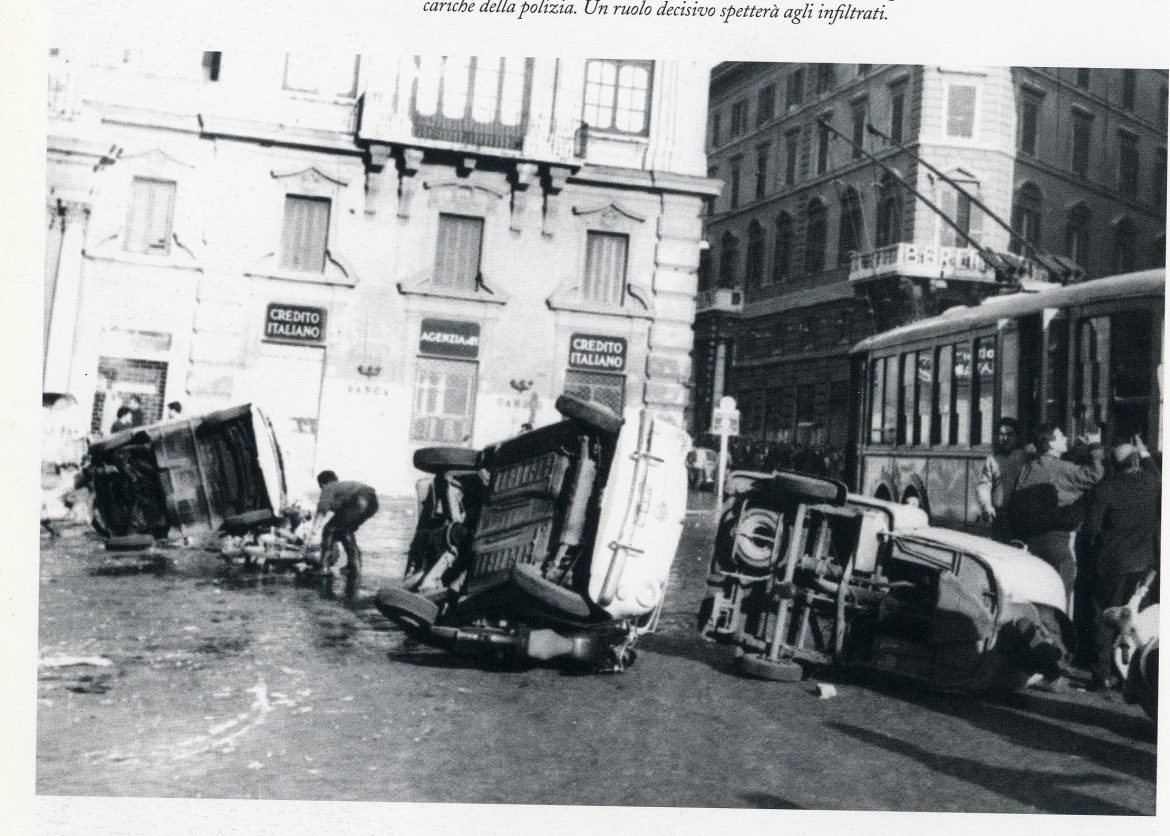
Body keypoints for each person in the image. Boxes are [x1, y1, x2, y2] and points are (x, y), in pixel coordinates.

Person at [1084, 437, 1160, 692]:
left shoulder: (1104, 489)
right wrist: (1143, 450)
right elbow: (1154, 469)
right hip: (1144, 565)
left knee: (1105, 617)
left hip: (1112, 564)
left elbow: (1091, 531)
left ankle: (1101, 676)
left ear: (1114, 465)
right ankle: (1133, 675)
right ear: (1136, 461)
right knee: (1136, 618)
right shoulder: (1151, 483)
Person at [1008, 423, 1105, 611]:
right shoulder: (1061, 468)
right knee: (1060, 597)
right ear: (1051, 444)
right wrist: (1094, 446)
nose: (1066, 439)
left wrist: (1078, 450)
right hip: (1060, 541)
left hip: (1034, 541)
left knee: (1039, 594)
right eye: (1061, 437)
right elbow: (1094, 474)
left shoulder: (1029, 468)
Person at [307, 470, 379, 600]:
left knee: (329, 529)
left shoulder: (329, 487)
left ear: (322, 484)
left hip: (359, 500)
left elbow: (322, 510)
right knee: (345, 531)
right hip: (373, 502)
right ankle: (354, 567)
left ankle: (324, 568)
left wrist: (313, 531)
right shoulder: (343, 488)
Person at [976, 417, 1027, 542]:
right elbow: (984, 485)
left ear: (1017, 437)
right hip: (1001, 517)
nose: (1005, 438)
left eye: (1009, 434)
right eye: (1001, 434)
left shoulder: (1025, 457)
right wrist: (987, 505)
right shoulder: (992, 459)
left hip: (1022, 517)